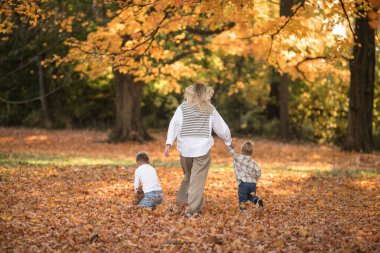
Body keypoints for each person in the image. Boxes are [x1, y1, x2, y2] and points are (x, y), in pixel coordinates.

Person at [164, 83, 232, 217]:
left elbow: (174, 125)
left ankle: (181, 202)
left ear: (190, 93)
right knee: (196, 180)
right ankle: (193, 210)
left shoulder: (182, 108)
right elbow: (221, 127)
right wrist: (228, 141)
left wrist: (168, 143)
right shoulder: (210, 109)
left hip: (185, 149)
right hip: (202, 149)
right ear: (205, 94)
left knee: (189, 176)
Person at [227, 141, 264, 210]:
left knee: (242, 197)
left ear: (242, 150)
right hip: (253, 184)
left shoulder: (238, 158)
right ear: (252, 152)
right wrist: (256, 177)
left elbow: (232, 153)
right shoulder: (253, 162)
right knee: (251, 196)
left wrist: (229, 144)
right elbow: (258, 171)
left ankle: (243, 210)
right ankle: (257, 201)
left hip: (243, 183)